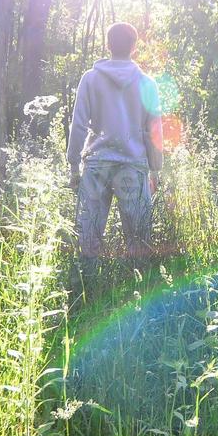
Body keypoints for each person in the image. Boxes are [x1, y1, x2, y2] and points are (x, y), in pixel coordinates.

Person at [67, 22, 163, 284]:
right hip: (133, 166)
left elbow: (78, 124)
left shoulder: (90, 79)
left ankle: (85, 292)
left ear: (108, 44)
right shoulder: (147, 83)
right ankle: (137, 290)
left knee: (89, 234)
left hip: (97, 165)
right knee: (138, 238)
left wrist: (73, 165)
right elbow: (154, 130)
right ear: (134, 47)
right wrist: (155, 169)